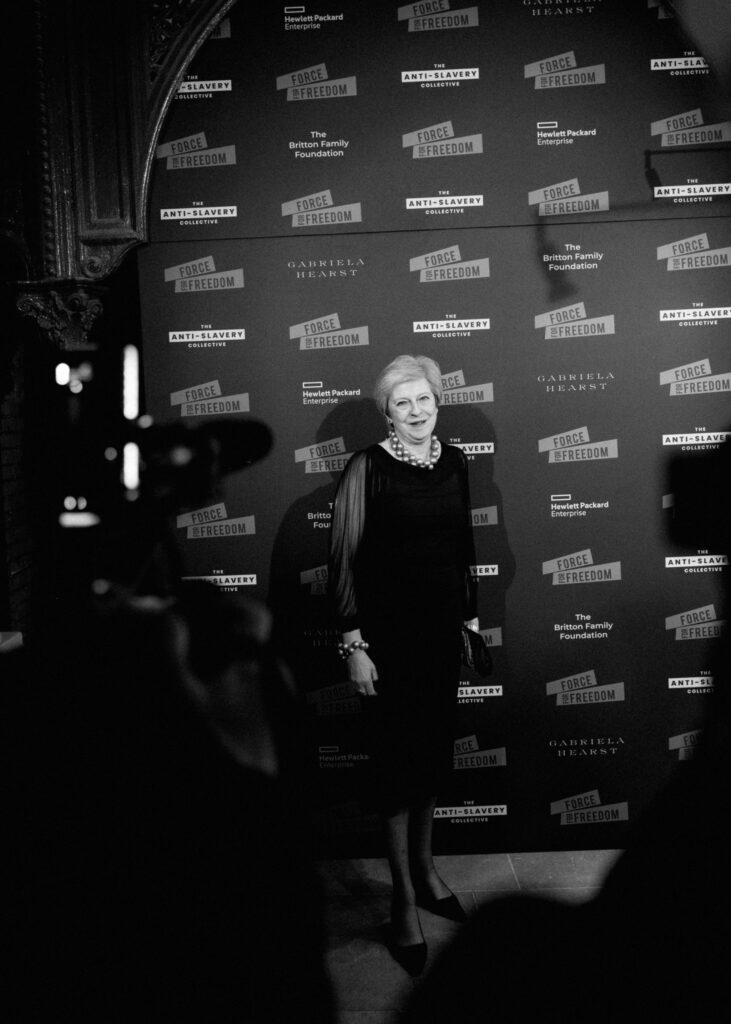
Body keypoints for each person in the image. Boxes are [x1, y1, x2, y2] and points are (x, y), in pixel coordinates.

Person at [328, 354, 479, 975]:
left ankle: (427, 871)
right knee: (395, 770)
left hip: (440, 640)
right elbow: (340, 560)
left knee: (430, 760)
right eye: (403, 403)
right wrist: (355, 645)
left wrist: (469, 624)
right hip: (386, 645)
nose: (416, 412)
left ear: (437, 402)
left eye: (425, 400)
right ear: (387, 412)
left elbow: (463, 548)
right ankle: (403, 902)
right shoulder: (367, 468)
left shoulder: (456, 461)